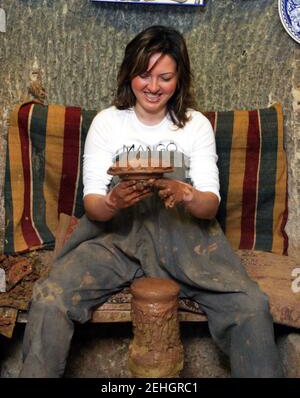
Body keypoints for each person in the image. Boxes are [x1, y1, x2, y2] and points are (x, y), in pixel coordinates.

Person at [19, 25, 283, 378]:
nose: (153, 87)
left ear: (179, 79)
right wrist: (114, 201)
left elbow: (209, 205)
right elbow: (94, 203)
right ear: (130, 74)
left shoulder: (195, 126)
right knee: (51, 295)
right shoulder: (107, 123)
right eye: (144, 75)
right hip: (113, 238)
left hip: (186, 239)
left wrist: (185, 193)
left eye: (165, 77)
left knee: (251, 305)